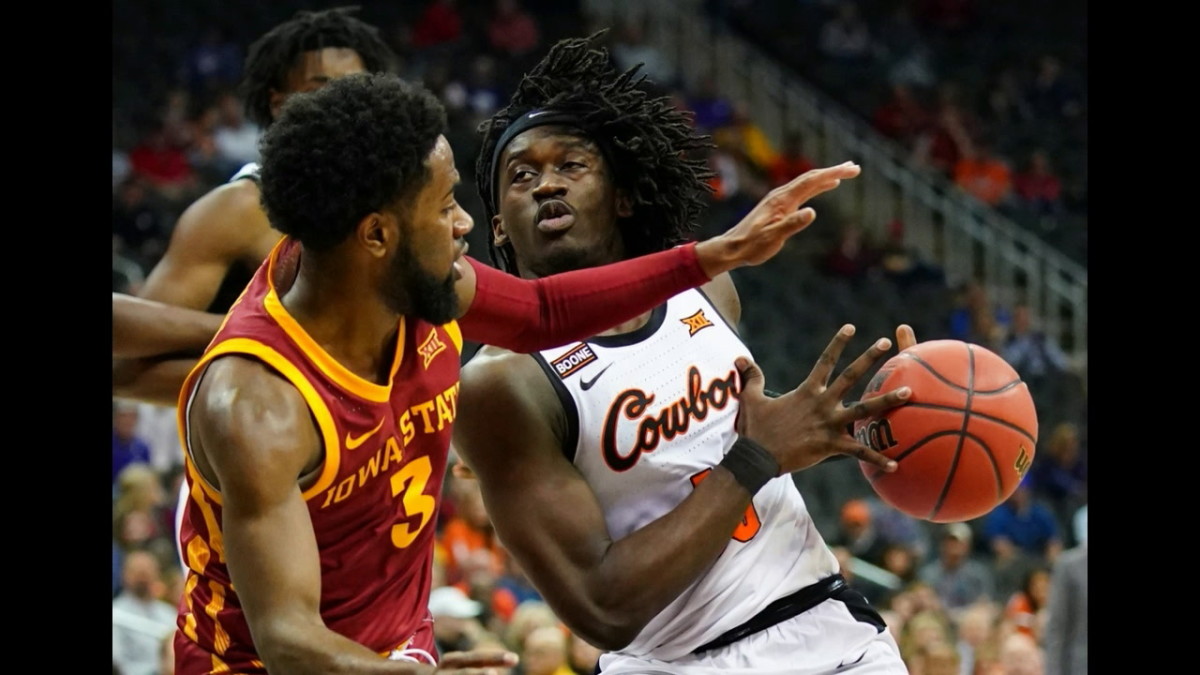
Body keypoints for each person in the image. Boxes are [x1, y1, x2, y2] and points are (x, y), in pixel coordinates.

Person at [173, 70, 849, 674]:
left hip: (394, 649)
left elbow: (542, 310)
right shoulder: (259, 407)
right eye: (443, 207)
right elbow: (289, 637)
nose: (468, 220)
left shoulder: (411, 283)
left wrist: (714, 253)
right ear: (377, 236)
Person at [453, 35, 913, 674]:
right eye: (521, 175)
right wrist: (756, 459)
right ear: (499, 222)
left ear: (623, 196)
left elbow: (734, 441)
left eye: (571, 166)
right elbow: (600, 609)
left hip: (827, 630)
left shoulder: (707, 290)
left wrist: (885, 410)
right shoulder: (503, 382)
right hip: (673, 662)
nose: (546, 184)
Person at [117, 7, 400, 404]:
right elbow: (124, 371)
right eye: (322, 86)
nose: (341, 102)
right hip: (277, 452)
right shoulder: (242, 206)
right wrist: (266, 333)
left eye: (354, 87)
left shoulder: (401, 201)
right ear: (279, 103)